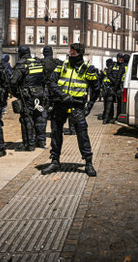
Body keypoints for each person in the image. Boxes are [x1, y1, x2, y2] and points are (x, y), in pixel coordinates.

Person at [43, 43, 101, 176]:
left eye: (73, 54)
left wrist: (89, 107)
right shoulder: (62, 66)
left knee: (82, 134)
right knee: (56, 132)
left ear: (80, 54)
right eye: (69, 53)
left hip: (77, 106)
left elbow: (96, 89)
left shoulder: (88, 69)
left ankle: (88, 163)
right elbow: (51, 82)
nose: (70, 56)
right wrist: (62, 95)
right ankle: (55, 161)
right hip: (60, 104)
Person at [9, 46, 46, 151]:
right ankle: (41, 140)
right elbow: (44, 78)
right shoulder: (38, 62)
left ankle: (29, 144)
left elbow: (12, 82)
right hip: (39, 93)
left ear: (20, 53)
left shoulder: (21, 65)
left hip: (27, 95)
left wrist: (16, 93)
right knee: (39, 117)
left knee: (26, 119)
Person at [41, 46, 74, 135]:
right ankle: (56, 131)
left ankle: (42, 134)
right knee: (56, 113)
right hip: (58, 90)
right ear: (51, 53)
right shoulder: (59, 62)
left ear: (44, 53)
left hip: (45, 90)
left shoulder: (41, 63)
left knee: (43, 111)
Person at [102, 55, 124, 124]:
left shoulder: (123, 66)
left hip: (118, 87)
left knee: (119, 103)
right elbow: (108, 74)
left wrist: (116, 83)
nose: (120, 59)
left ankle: (117, 118)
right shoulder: (113, 65)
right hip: (113, 86)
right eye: (119, 58)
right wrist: (114, 82)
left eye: (121, 58)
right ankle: (107, 118)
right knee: (109, 102)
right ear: (117, 58)